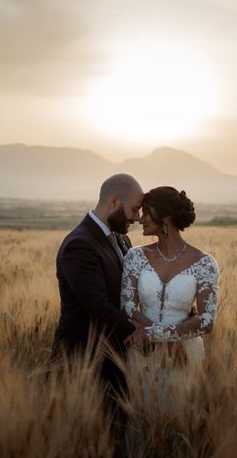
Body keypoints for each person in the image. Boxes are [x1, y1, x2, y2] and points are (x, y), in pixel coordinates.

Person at [51, 173, 147, 453]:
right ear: (113, 201)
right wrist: (148, 336)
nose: (138, 217)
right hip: (85, 361)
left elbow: (129, 296)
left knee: (116, 435)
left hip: (115, 358)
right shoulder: (80, 244)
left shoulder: (121, 240)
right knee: (89, 442)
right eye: (134, 209)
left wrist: (174, 315)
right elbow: (98, 308)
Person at [121, 186, 220, 366]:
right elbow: (127, 308)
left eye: (146, 213)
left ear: (164, 216)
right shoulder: (135, 257)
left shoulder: (205, 264)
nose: (141, 219)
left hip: (184, 357)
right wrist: (170, 341)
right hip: (143, 352)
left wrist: (154, 335)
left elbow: (206, 321)